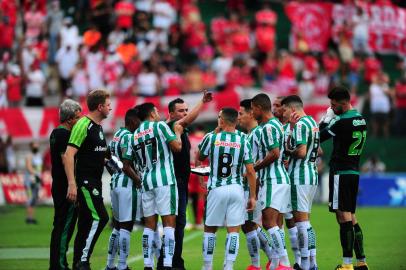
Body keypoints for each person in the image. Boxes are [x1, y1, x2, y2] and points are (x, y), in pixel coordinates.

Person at [157, 90, 213, 270]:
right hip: (173, 182)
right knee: (174, 223)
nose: (185, 114)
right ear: (171, 113)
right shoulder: (172, 125)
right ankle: (170, 262)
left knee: (176, 223)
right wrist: (202, 102)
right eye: (181, 111)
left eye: (186, 110)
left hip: (181, 180)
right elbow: (189, 120)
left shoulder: (178, 129)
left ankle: (172, 260)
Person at [198, 107, 257, 270]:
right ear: (236, 121)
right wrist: (252, 196)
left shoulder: (211, 137)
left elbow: (200, 157)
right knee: (233, 231)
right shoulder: (244, 139)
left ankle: (207, 266)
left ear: (222, 121)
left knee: (210, 229)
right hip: (237, 190)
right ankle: (228, 266)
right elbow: (250, 171)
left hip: (217, 188)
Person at [128, 102, 183, 270]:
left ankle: (147, 264)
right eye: (157, 111)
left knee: (149, 225)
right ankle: (167, 264)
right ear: (152, 113)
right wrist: (178, 133)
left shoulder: (135, 135)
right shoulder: (160, 126)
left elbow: (129, 162)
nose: (159, 114)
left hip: (146, 182)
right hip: (164, 180)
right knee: (169, 223)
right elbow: (177, 147)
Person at [319, 86, 368, 270]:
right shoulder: (361, 119)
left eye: (333, 105)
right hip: (354, 171)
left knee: (343, 216)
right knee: (351, 216)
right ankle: (361, 262)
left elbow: (318, 136)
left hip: (340, 171)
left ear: (343, 103)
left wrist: (326, 119)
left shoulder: (341, 122)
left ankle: (347, 265)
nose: (331, 107)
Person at [64, 90, 112, 270]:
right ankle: (83, 261)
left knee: (85, 223)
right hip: (85, 182)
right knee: (100, 217)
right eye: (108, 105)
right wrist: (72, 183)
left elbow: (94, 154)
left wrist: (107, 161)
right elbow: (69, 155)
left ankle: (79, 262)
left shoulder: (98, 127)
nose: (111, 108)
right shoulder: (83, 124)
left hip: (95, 181)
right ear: (100, 107)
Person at [251, 93, 292, 270]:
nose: (252, 112)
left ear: (259, 108)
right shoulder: (276, 124)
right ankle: (276, 263)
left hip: (272, 179)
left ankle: (284, 263)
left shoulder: (268, 127)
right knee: (276, 224)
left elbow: (274, 153)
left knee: (268, 222)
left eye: (253, 109)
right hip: (281, 178)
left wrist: (254, 168)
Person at [282, 95, 320, 270]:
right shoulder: (312, 123)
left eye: (285, 110)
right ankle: (312, 262)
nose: (284, 114)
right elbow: (317, 150)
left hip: (299, 175)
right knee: (307, 222)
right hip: (311, 174)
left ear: (292, 109)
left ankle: (305, 263)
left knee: (301, 222)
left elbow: (302, 151)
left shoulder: (299, 124)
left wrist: (288, 151)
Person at [238, 99, 274, 270]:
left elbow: (256, 162)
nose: (238, 118)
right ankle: (269, 259)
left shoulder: (256, 134)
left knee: (251, 224)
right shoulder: (250, 134)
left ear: (250, 114)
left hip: (254, 184)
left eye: (241, 113)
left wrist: (254, 188)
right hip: (250, 184)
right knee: (247, 224)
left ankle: (261, 263)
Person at [105, 108, 142, 270]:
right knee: (127, 226)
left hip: (115, 182)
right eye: (139, 122)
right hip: (127, 184)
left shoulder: (117, 135)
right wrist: (138, 180)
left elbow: (107, 157)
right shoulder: (129, 137)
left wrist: (114, 172)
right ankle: (122, 265)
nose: (140, 126)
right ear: (133, 121)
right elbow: (127, 166)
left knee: (118, 226)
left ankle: (110, 264)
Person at [49, 99, 82, 270]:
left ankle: (58, 263)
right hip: (66, 187)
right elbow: (66, 160)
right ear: (69, 119)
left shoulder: (56, 133)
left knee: (61, 225)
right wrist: (73, 184)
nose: (79, 120)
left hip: (59, 185)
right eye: (77, 117)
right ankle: (59, 265)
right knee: (64, 227)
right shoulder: (64, 135)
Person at [273, 96, 301, 269]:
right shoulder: (275, 127)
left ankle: (297, 260)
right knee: (279, 219)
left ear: (285, 108)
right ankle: (281, 260)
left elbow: (317, 151)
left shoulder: (294, 127)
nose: (275, 109)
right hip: (280, 179)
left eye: (278, 106)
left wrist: (289, 157)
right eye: (274, 106)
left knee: (291, 220)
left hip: (289, 178)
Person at [24, 141, 43, 224]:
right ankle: (29, 217)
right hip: (30, 180)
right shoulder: (29, 156)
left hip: (36, 180)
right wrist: (36, 175)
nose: (36, 147)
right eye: (35, 146)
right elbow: (29, 167)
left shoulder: (38, 156)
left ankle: (32, 217)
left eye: (37, 146)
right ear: (31, 147)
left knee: (34, 199)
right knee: (30, 198)